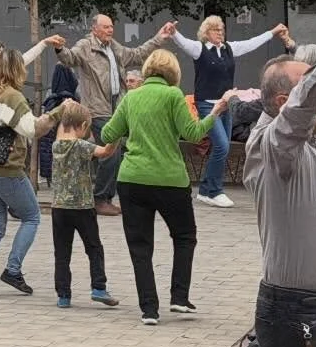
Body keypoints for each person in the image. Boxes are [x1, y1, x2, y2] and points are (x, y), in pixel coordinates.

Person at [98, 48, 233, 325]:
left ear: (147, 71)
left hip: (132, 179)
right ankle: (179, 297)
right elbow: (193, 133)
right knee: (184, 237)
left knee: (140, 245)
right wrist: (216, 111)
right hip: (170, 180)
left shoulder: (131, 97)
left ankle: (149, 309)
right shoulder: (173, 95)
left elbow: (107, 133)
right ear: (173, 72)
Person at [242, 45, 316, 347]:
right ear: (285, 102)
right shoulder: (273, 146)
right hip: (296, 314)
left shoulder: (315, 145)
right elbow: (301, 111)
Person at [0, 48, 63, 298]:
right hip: (5, 169)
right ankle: (13, 269)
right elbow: (32, 130)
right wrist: (57, 113)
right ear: (17, 70)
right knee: (31, 217)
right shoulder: (12, 97)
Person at [166, 15, 293, 207]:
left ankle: (206, 189)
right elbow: (183, 43)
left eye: (222, 30)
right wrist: (174, 33)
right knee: (222, 146)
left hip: (225, 104)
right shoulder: (199, 49)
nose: (220, 33)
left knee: (222, 148)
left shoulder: (228, 49)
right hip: (208, 104)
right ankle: (214, 191)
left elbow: (251, 43)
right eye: (216, 30)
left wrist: (272, 32)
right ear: (206, 33)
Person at [55, 16, 175, 214]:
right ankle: (101, 198)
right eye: (106, 27)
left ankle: (91, 194)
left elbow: (137, 55)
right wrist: (59, 48)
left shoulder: (114, 47)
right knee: (111, 149)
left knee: (99, 150)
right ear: (95, 29)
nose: (110, 30)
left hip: (115, 106)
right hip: (96, 107)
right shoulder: (86, 46)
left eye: (112, 26)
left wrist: (159, 38)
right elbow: (69, 58)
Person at [49, 100, 119, 310]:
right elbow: (105, 152)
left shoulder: (56, 145)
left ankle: (63, 294)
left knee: (61, 252)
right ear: (82, 127)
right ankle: (98, 287)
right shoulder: (81, 146)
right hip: (82, 207)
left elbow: (64, 127)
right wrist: (116, 136)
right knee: (94, 247)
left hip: (59, 207)